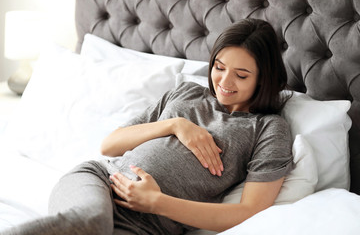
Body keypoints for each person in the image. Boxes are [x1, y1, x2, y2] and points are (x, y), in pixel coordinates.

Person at [3, 18, 294, 235]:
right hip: (99, 183)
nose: (224, 82)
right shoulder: (187, 93)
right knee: (91, 221)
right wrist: (175, 124)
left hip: (150, 223)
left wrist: (156, 202)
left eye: (241, 75)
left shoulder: (268, 129)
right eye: (219, 67)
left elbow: (249, 212)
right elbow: (110, 144)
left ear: (263, 78)